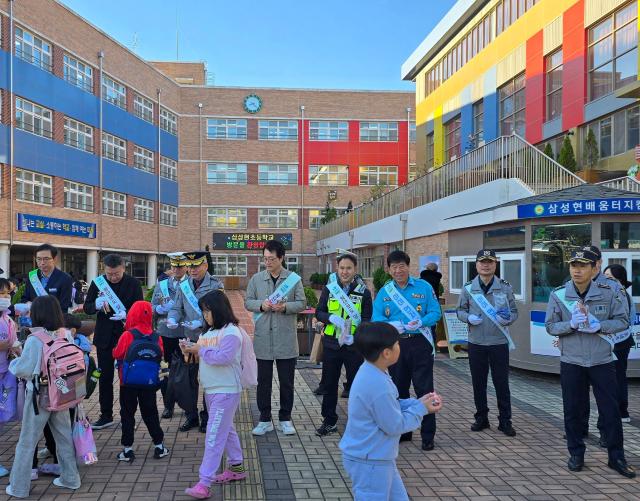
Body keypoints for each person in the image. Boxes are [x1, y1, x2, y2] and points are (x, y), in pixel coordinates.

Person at [545, 249, 635, 478]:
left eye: (583, 265)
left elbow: (623, 321)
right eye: (573, 265)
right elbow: (550, 326)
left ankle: (616, 457)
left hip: (602, 360)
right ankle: (576, 453)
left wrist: (601, 325)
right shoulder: (558, 294)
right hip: (571, 360)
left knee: (610, 411)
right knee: (573, 410)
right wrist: (570, 325)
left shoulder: (609, 291)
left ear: (594, 268)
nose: (577, 269)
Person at [339, 322, 443, 501]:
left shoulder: (373, 371)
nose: (399, 347)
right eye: (397, 344)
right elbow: (395, 425)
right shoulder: (377, 383)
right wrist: (421, 409)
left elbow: (390, 405)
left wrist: (416, 403)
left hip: (376, 457)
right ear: (386, 353)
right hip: (370, 460)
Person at [6, 295, 81, 497]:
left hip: (40, 396)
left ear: (37, 315)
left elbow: (24, 369)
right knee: (64, 437)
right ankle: (70, 478)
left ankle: (19, 487)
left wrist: (14, 361)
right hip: (64, 393)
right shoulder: (66, 334)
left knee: (27, 442)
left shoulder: (35, 340)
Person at [372, 250, 441, 451]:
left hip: (420, 343)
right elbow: (377, 318)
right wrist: (391, 325)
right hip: (396, 346)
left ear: (408, 267)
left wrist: (422, 321)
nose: (398, 270)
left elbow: (435, 312)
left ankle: (428, 436)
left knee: (425, 389)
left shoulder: (424, 287)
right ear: (389, 269)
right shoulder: (385, 292)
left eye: (402, 266)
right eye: (394, 267)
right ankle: (404, 430)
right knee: (398, 390)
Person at [182, 290, 247, 499]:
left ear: (218, 310)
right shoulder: (207, 333)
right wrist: (189, 350)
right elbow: (204, 356)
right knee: (225, 430)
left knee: (214, 435)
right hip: (212, 389)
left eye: (207, 311)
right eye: (203, 311)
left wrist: (198, 350)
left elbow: (224, 357)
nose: (205, 315)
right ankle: (236, 468)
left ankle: (204, 482)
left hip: (226, 390)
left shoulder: (231, 332)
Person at [245, 240, 306, 436]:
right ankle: (264, 419)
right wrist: (261, 305)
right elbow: (247, 302)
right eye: (265, 259)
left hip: (285, 340)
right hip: (263, 339)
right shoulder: (256, 279)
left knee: (287, 382)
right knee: (263, 382)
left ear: (281, 258)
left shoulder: (293, 279)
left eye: (272, 258)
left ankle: (285, 418)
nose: (268, 262)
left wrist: (286, 307)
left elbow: (302, 303)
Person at [456, 249, 518, 436]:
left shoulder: (505, 287)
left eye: (490, 261)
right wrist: (468, 318)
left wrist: (508, 319)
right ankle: (481, 418)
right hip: (476, 342)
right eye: (482, 262)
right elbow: (459, 311)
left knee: (501, 383)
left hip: (498, 342)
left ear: (495, 264)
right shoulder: (468, 288)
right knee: (478, 383)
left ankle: (505, 421)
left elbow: (514, 312)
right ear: (476, 265)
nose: (486, 265)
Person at [314, 251, 372, 437]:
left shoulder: (364, 292)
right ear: (336, 269)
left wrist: (357, 336)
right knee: (330, 384)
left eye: (348, 268)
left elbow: (366, 319)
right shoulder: (330, 289)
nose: (345, 272)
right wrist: (330, 317)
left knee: (357, 385)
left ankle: (359, 422)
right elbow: (319, 312)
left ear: (355, 269)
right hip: (332, 344)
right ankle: (329, 420)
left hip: (354, 346)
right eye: (341, 268)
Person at [83, 253, 143, 430]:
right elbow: (87, 308)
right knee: (105, 377)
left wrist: (128, 315)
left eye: (116, 273)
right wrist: (96, 304)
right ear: (104, 270)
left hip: (127, 337)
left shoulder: (133, 283)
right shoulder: (98, 283)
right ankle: (106, 414)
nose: (113, 277)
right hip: (104, 339)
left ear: (124, 268)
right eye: (109, 274)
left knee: (128, 377)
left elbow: (140, 308)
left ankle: (128, 414)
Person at [167, 251, 224, 432]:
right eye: (190, 266)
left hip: (210, 339)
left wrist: (201, 322)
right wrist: (172, 318)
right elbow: (177, 307)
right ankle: (191, 415)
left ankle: (207, 416)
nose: (192, 270)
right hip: (190, 340)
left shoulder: (216, 284)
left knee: (209, 379)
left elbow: (219, 312)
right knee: (189, 380)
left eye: (196, 266)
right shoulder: (184, 285)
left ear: (205, 266)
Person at [34, 313, 92, 475]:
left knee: (62, 428)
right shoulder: (74, 346)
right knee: (61, 429)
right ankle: (59, 456)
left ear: (72, 330)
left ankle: (64, 460)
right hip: (68, 394)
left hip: (63, 395)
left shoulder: (73, 347)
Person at [112, 300, 169, 463]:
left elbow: (117, 354)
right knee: (150, 412)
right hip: (149, 382)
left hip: (127, 382)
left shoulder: (128, 335)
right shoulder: (156, 337)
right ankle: (159, 446)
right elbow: (161, 355)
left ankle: (128, 449)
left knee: (127, 413)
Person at [152, 252, 188, 419]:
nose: (177, 269)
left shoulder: (191, 283)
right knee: (166, 371)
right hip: (165, 333)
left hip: (185, 332)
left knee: (187, 372)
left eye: (180, 266)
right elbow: (152, 306)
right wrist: (159, 309)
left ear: (186, 266)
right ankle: (168, 405)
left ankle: (187, 406)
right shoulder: (162, 284)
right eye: (174, 266)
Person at [602, 264, 635, 425]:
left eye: (610, 278)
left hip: (620, 342)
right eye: (605, 277)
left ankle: (622, 410)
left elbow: (628, 319)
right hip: (613, 340)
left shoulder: (622, 296)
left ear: (620, 281)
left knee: (618, 377)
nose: (606, 280)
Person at [14, 244, 73, 323]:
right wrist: (28, 304)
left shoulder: (65, 278)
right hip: (33, 322)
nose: (42, 263)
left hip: (54, 323)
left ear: (55, 259)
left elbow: (64, 306)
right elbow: (24, 298)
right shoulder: (32, 276)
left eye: (46, 259)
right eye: (39, 259)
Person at [0, 278, 19, 478]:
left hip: (5, 371)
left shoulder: (7, 317)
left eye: (7, 294)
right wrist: (8, 346)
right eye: (1, 294)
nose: (5, 298)